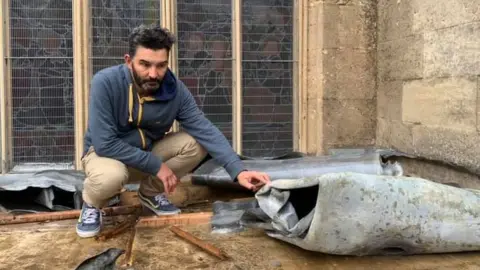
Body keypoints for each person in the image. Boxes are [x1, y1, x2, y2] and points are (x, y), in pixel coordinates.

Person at [76, 24, 271, 238]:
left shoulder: (175, 89)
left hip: (144, 154)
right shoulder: (105, 82)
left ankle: (150, 193)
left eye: (161, 66)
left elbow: (204, 128)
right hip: (104, 156)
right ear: (128, 61)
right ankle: (92, 204)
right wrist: (156, 165)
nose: (153, 74)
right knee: (110, 177)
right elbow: (105, 143)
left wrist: (238, 171)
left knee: (196, 142)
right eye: (144, 64)